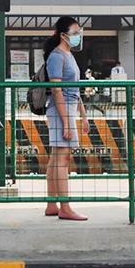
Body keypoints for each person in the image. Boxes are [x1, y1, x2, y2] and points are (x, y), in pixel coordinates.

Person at [42, 16, 90, 221]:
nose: (78, 35)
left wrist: (83, 116)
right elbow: (57, 91)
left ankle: (52, 204)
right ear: (63, 35)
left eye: (79, 32)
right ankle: (65, 206)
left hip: (67, 109)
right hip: (61, 110)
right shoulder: (57, 56)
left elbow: (74, 91)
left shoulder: (68, 55)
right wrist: (67, 122)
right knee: (62, 159)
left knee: (57, 158)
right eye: (75, 32)